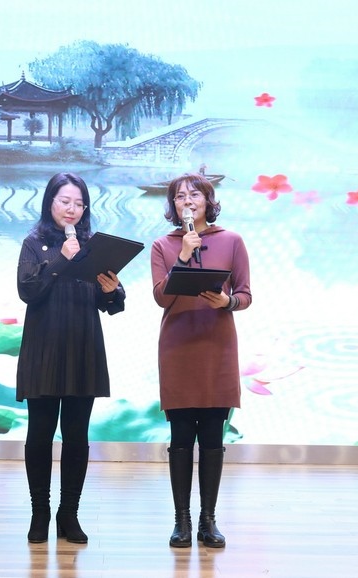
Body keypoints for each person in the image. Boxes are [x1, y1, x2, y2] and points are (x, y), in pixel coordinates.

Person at [16, 172, 126, 544]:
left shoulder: (93, 246)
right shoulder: (34, 243)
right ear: (50, 202)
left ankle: (69, 514)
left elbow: (112, 304)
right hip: (44, 347)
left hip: (83, 346)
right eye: (65, 201)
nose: (72, 209)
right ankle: (40, 513)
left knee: (77, 435)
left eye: (79, 203)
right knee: (40, 434)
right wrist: (61, 260)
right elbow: (27, 291)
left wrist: (111, 290)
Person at [150, 172, 252, 549]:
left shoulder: (232, 240)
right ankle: (182, 520)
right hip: (178, 346)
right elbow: (161, 297)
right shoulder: (163, 245)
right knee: (180, 436)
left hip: (217, 345)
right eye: (180, 196)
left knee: (211, 436)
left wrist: (227, 301)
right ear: (173, 206)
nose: (187, 201)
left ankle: (209, 520)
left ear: (208, 201)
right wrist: (183, 255)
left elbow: (245, 294)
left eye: (194, 195)